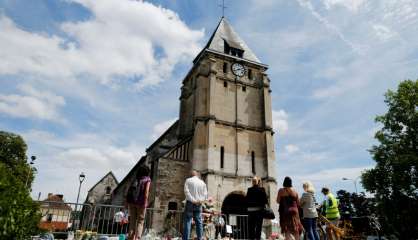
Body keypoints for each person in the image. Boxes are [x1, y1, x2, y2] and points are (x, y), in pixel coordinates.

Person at [125, 165, 151, 240]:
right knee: (140, 221)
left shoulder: (135, 179)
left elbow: (128, 191)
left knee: (132, 221)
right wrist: (145, 202)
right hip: (141, 203)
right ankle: (137, 238)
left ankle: (131, 238)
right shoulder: (147, 179)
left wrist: (126, 203)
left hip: (132, 202)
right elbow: (146, 192)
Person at [183, 170, 208, 240]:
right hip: (199, 203)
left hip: (190, 203)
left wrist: (193, 200)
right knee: (199, 222)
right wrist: (199, 201)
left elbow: (186, 192)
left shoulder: (188, 180)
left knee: (188, 221)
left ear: (191, 175)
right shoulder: (202, 182)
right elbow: (205, 194)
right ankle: (200, 238)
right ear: (197, 175)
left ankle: (186, 239)